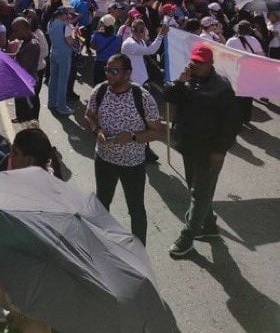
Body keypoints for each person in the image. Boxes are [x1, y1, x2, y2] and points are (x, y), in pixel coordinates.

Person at [164, 43, 240, 258]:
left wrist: (220, 150)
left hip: (209, 150)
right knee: (194, 189)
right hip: (188, 146)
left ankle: (187, 237)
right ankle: (207, 225)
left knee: (199, 194)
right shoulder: (188, 82)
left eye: (199, 63)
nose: (195, 65)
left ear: (210, 64)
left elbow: (231, 123)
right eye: (193, 61)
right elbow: (170, 97)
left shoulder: (222, 88)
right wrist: (180, 81)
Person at [84, 53, 162, 245]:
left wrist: (133, 137)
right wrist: (97, 129)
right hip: (104, 160)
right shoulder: (100, 91)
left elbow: (155, 131)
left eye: (113, 71)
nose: (108, 74)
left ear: (127, 74)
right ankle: (101, 243)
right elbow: (89, 114)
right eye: (107, 70)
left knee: (135, 209)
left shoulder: (142, 97)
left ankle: (139, 250)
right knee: (102, 203)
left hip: (132, 164)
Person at [225, 20, 264, 126]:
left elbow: (226, 56)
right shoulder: (254, 40)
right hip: (250, 71)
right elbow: (261, 55)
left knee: (236, 96)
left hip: (236, 71)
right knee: (248, 96)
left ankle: (235, 118)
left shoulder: (231, 41)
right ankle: (245, 118)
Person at [9, 17, 40, 123]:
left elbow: (22, 68)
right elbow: (17, 55)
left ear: (24, 28)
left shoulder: (32, 45)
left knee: (28, 118)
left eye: (16, 30)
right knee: (22, 109)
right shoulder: (26, 41)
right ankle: (21, 117)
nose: (14, 33)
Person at [47, 6, 75, 116]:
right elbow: (70, 42)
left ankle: (52, 102)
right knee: (62, 81)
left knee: (53, 79)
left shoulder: (51, 23)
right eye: (66, 14)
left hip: (53, 52)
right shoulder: (66, 26)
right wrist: (73, 32)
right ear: (62, 15)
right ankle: (62, 107)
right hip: (64, 55)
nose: (68, 16)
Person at [91, 14, 121, 86]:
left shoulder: (97, 35)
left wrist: (97, 30)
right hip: (112, 65)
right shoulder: (118, 38)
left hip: (99, 64)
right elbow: (118, 51)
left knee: (98, 86)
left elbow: (92, 46)